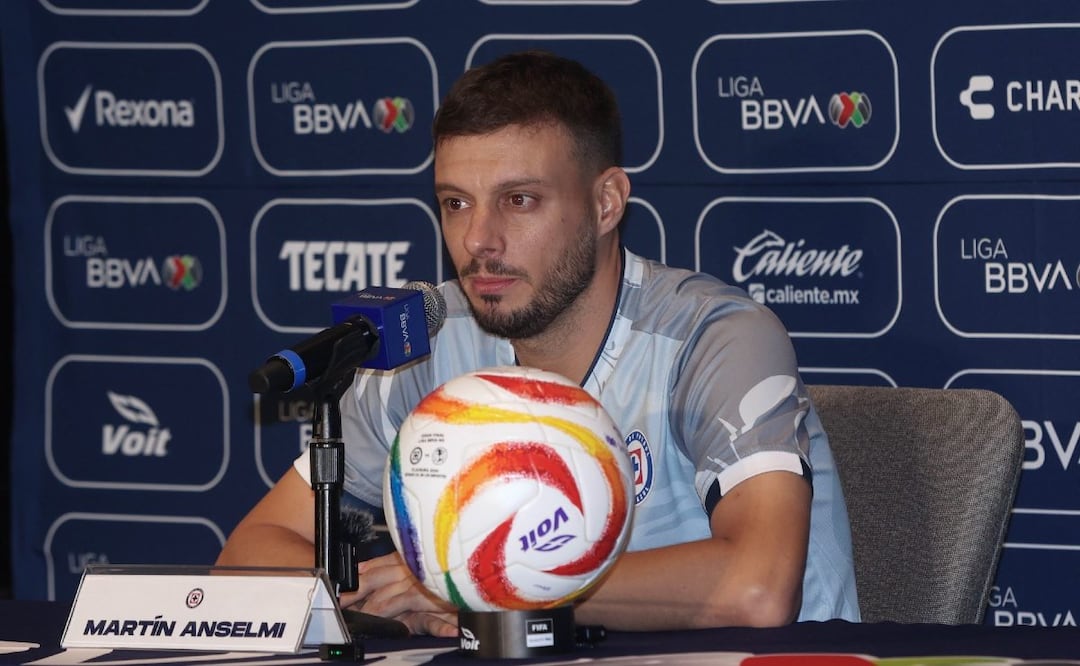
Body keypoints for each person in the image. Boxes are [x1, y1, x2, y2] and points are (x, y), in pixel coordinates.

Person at [216, 50, 860, 636]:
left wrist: (477, 588)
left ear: (607, 203)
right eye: (456, 203)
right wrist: (399, 592)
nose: (478, 241)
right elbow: (252, 551)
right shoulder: (431, 347)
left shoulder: (712, 338)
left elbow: (755, 589)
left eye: (519, 200)